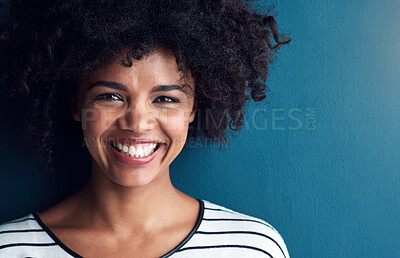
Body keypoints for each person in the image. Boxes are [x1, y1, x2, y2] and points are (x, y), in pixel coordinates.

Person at [0, 0, 290, 257]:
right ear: (77, 106)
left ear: (193, 108)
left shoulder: (252, 247)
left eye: (165, 99)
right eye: (110, 97)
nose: (137, 123)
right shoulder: (10, 249)